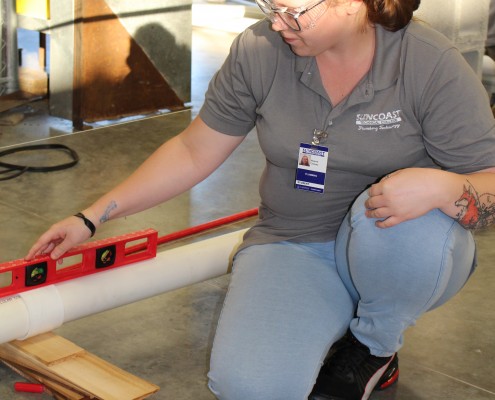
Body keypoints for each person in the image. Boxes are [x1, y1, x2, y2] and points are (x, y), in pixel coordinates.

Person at [26, 0, 495, 399]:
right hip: (297, 241)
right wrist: (91, 217)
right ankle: (333, 320)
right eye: (269, 5)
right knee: (250, 386)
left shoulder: (429, 63)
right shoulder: (261, 49)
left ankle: (374, 345)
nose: (276, 21)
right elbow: (193, 151)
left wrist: (444, 187)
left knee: (387, 208)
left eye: (292, 10)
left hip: (402, 247)